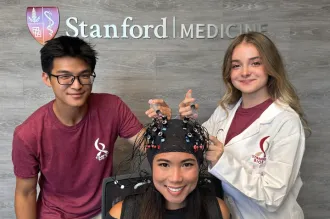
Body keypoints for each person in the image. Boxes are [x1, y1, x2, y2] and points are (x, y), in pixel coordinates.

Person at [12, 36, 170, 219]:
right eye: (65, 77)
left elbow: (151, 148)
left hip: (103, 209)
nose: (77, 85)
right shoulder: (27, 134)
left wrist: (164, 125)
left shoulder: (112, 107)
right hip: (55, 214)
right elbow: (25, 193)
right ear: (47, 78)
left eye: (84, 76)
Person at [177, 32, 309, 218]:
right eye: (236, 65)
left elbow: (273, 196)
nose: (245, 72)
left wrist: (222, 161)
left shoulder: (286, 121)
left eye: (255, 63)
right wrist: (184, 121)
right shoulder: (225, 111)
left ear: (271, 67)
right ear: (229, 73)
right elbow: (193, 149)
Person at [107, 118, 230, 219]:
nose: (175, 178)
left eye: (187, 164)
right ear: (152, 166)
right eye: (164, 165)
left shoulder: (216, 211)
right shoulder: (123, 214)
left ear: (198, 166)